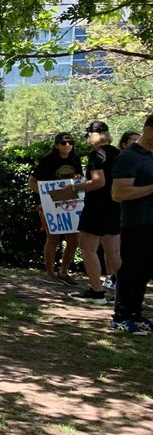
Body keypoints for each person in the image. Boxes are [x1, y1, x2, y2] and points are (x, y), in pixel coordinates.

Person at [66, 121, 122, 302]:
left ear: (96, 135)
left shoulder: (97, 154)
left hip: (97, 207)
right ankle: (124, 294)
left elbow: (98, 182)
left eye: (88, 134)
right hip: (116, 205)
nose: (88, 138)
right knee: (113, 251)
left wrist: (77, 187)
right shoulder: (119, 153)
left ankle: (96, 292)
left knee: (87, 248)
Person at [108, 115, 153, 334]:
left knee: (144, 271)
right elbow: (119, 192)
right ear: (149, 129)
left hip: (151, 221)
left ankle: (135, 314)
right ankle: (121, 316)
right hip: (136, 223)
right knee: (131, 270)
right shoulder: (129, 157)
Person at [28, 132, 82, 286]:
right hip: (50, 205)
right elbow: (32, 182)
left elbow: (79, 179)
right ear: (56, 145)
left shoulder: (75, 159)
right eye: (64, 143)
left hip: (70, 204)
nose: (68, 146)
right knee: (53, 238)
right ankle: (50, 273)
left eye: (70, 143)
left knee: (74, 240)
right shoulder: (48, 160)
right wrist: (45, 197)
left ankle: (63, 272)